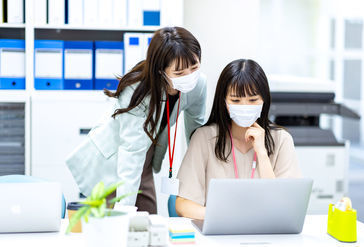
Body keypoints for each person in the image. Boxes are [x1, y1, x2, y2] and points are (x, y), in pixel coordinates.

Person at [66, 27, 207, 214]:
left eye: (194, 67)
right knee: (118, 221)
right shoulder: (136, 90)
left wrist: (200, 176)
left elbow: (196, 131)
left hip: (146, 155)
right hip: (115, 158)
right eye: (179, 73)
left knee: (148, 218)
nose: (189, 76)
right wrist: (124, 212)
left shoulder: (198, 84)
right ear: (160, 71)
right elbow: (131, 154)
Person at [175, 59, 301, 219]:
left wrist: (262, 154)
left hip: (267, 234)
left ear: (264, 100)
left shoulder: (282, 140)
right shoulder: (204, 137)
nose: (244, 106)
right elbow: (183, 204)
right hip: (219, 233)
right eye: (235, 100)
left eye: (253, 100)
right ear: (224, 101)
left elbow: (287, 205)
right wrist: (226, 216)